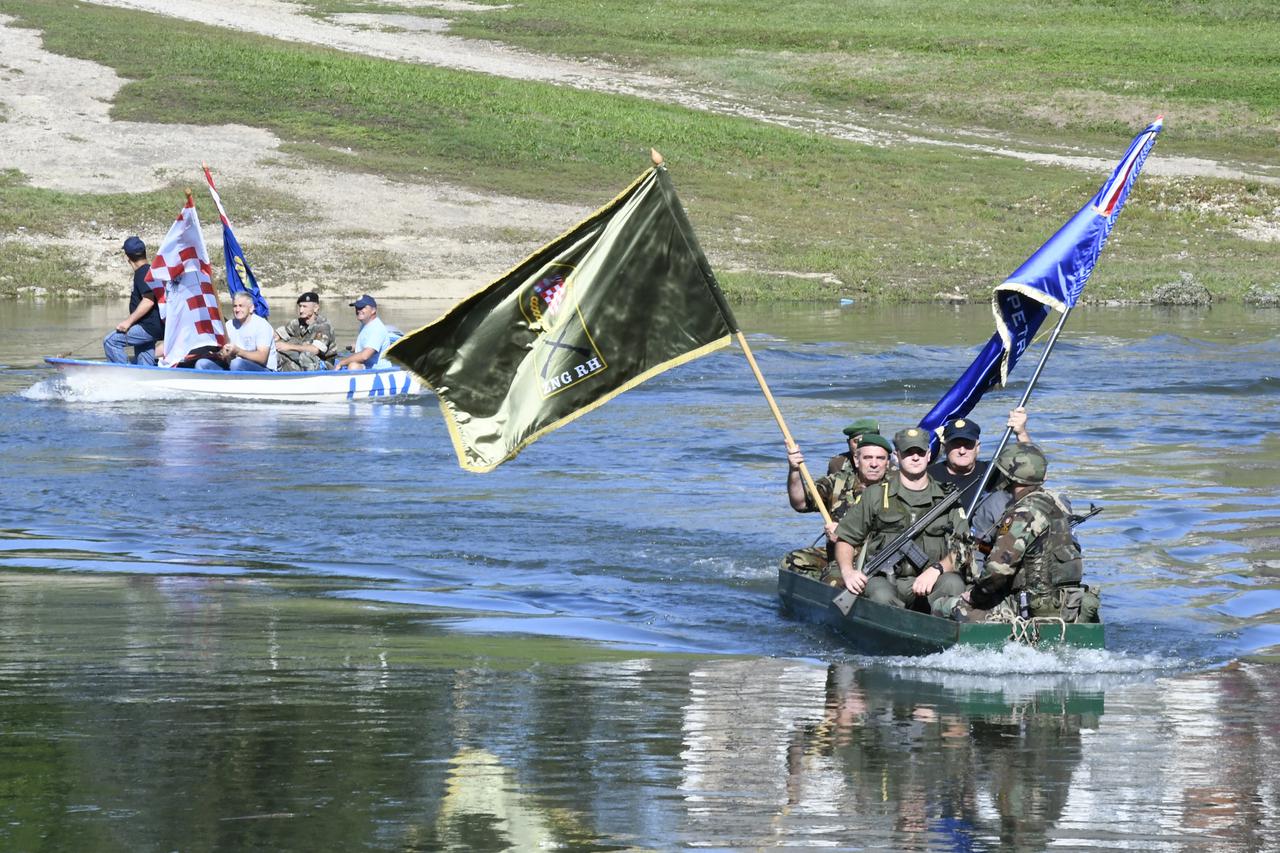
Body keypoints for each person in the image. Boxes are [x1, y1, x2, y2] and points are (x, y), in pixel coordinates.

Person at [953, 443, 1099, 623]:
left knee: (950, 606)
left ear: (1007, 477)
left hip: (1030, 609)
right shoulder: (1055, 506)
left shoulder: (1022, 514)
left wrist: (975, 596)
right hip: (1066, 605)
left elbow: (998, 571)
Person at [831, 427, 968, 612]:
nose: (915, 457)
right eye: (908, 452)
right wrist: (848, 572)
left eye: (920, 452)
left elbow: (963, 548)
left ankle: (942, 634)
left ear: (928, 455)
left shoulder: (946, 498)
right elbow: (846, 538)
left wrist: (937, 569)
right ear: (897, 456)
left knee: (953, 583)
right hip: (884, 581)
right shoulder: (876, 494)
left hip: (931, 583)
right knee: (880, 595)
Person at [783, 433, 892, 578]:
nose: (874, 464)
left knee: (837, 581)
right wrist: (794, 471)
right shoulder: (838, 481)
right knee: (793, 562)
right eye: (867, 458)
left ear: (888, 462)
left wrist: (843, 535)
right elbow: (800, 502)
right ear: (856, 460)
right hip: (837, 557)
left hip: (879, 558)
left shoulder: (896, 487)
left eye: (880, 458)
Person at [926, 408, 1031, 493]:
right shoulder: (929, 476)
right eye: (956, 445)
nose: (962, 451)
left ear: (978, 447)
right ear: (945, 447)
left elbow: (1034, 474)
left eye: (968, 445)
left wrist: (1021, 433)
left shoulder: (992, 473)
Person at [103, 236, 163, 366]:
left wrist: (128, 322)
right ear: (144, 253)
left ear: (127, 257)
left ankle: (123, 375)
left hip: (147, 327)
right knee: (144, 361)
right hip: (153, 326)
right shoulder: (150, 271)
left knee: (110, 341)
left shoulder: (143, 273)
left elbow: (148, 301)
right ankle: (144, 379)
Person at [207, 292, 277, 371]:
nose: (237, 309)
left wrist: (238, 351)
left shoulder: (262, 325)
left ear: (251, 308)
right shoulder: (228, 325)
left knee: (236, 363)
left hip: (264, 370)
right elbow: (225, 352)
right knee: (202, 363)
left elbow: (262, 358)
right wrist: (222, 354)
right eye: (235, 306)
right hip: (234, 366)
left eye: (241, 306)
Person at [274, 291, 337, 371]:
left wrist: (288, 347)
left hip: (324, 364)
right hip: (303, 362)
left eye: (304, 307)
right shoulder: (297, 323)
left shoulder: (323, 326)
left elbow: (315, 350)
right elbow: (277, 335)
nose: (301, 310)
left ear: (316, 308)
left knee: (306, 355)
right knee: (275, 355)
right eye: (300, 306)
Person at [337, 294, 392, 370]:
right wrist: (355, 347)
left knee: (353, 366)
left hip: (378, 370)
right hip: (367, 366)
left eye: (362, 307)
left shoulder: (377, 328)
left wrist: (341, 363)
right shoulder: (365, 324)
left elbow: (364, 356)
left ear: (373, 310)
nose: (358, 310)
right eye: (357, 307)